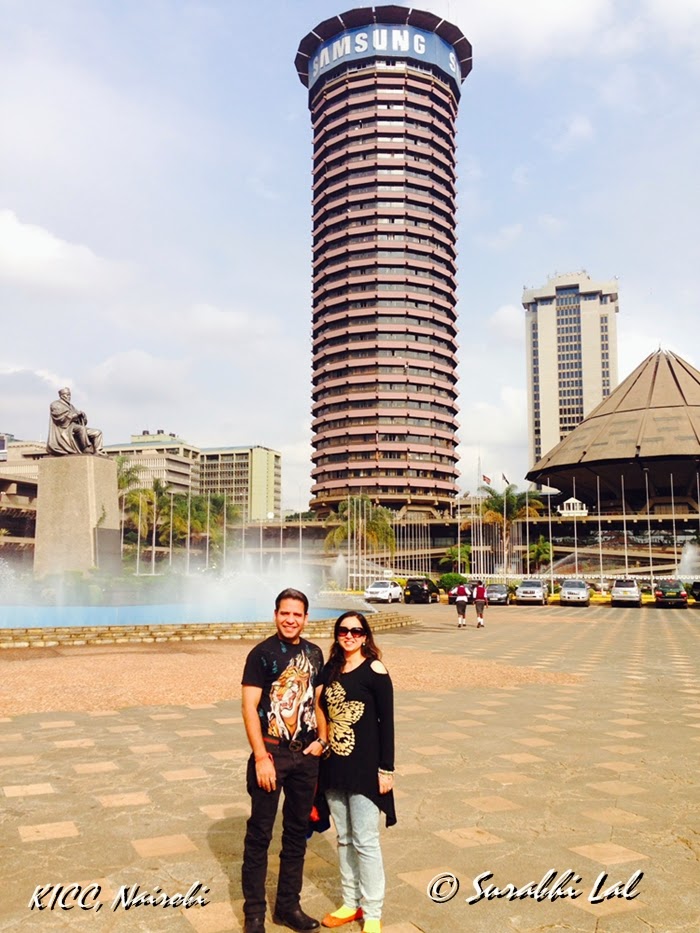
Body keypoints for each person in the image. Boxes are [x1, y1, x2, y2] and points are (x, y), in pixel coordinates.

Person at [241, 588, 327, 933]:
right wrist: (261, 756)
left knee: (296, 834)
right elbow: (249, 707)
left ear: (306, 618)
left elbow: (317, 703)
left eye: (297, 614)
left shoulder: (314, 653)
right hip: (272, 753)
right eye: (284, 613)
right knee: (260, 834)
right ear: (276, 614)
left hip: (305, 755)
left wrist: (322, 740)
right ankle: (254, 914)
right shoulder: (261, 654)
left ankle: (288, 906)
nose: (290, 620)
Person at [317, 611, 395, 933]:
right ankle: (351, 903)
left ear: (365, 636)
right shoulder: (330, 669)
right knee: (345, 839)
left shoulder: (375, 670)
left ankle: (372, 911)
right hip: (334, 765)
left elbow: (386, 723)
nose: (349, 635)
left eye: (356, 631)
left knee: (365, 841)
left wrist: (386, 769)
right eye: (343, 630)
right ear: (337, 634)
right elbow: (317, 705)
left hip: (365, 769)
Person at [46, 387, 105, 456]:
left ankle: (98, 451)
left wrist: (82, 416)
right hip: (66, 428)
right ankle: (85, 448)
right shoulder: (55, 404)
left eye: (69, 395)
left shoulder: (71, 406)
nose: (69, 397)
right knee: (81, 429)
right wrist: (75, 415)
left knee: (98, 432)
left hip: (75, 426)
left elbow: (81, 420)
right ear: (61, 395)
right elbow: (61, 419)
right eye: (67, 394)